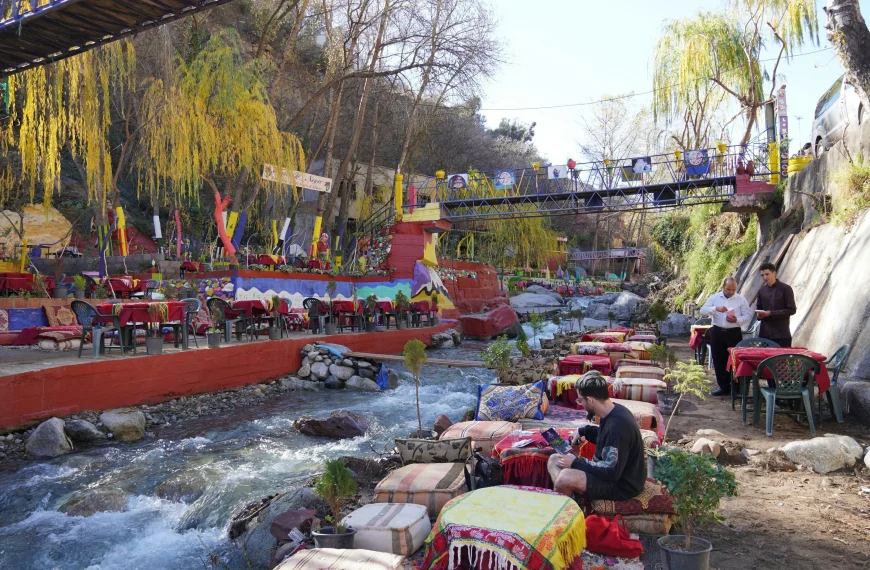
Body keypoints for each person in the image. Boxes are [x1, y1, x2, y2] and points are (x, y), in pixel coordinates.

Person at [547, 371, 646, 501]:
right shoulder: (613, 411)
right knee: (554, 460)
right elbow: (604, 436)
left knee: (564, 478)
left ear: (590, 400)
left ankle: (567, 513)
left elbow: (611, 472)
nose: (580, 404)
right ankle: (572, 499)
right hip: (610, 472)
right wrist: (583, 431)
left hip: (622, 485)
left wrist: (576, 462)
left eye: (580, 400)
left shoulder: (617, 427)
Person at [700, 277, 752, 396]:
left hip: (734, 332)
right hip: (717, 331)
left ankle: (737, 388)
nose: (731, 292)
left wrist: (737, 319)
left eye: (733, 289)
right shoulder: (715, 298)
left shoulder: (741, 299)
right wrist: (715, 309)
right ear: (723, 287)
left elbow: (748, 315)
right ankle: (724, 387)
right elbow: (703, 310)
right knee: (719, 360)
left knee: (735, 360)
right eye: (728, 289)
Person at [756, 262, 796, 347]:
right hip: (765, 335)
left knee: (783, 360)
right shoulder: (761, 291)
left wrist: (770, 313)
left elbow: (791, 310)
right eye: (762, 275)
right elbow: (759, 309)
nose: (765, 277)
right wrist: (759, 316)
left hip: (782, 334)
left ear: (774, 273)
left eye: (767, 274)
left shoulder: (786, 289)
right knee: (765, 360)